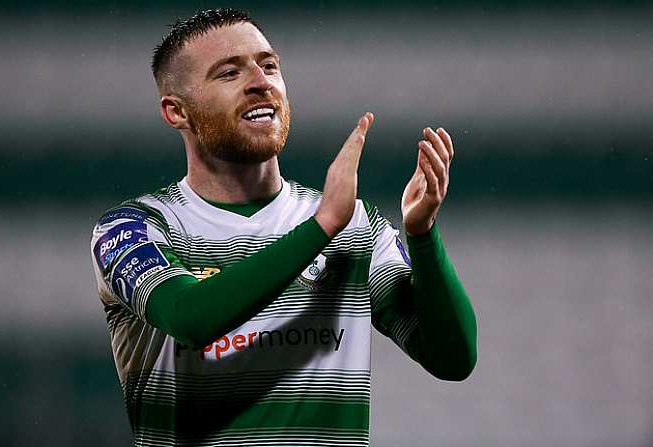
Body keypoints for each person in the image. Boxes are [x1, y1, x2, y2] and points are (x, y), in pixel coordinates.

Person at [90, 8, 477, 446]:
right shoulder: (133, 227)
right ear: (176, 112)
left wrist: (422, 237)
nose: (261, 81)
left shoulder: (357, 226)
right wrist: (322, 225)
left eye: (269, 65)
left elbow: (453, 359)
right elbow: (190, 317)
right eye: (229, 73)